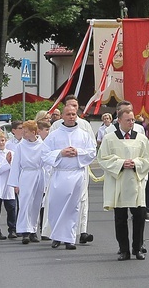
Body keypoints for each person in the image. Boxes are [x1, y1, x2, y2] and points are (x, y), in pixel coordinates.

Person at [97, 107, 149, 260]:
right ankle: (124, 250)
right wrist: (121, 163)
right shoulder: (109, 138)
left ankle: (137, 248)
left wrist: (135, 163)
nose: (131, 123)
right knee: (120, 218)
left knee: (139, 217)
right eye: (128, 120)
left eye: (133, 120)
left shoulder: (141, 138)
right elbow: (102, 159)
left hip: (136, 182)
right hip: (119, 182)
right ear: (119, 120)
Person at [42, 104, 96, 250]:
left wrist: (78, 152)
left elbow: (92, 152)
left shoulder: (84, 134)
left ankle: (69, 239)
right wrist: (61, 153)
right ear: (63, 116)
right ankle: (56, 236)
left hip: (76, 174)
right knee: (56, 206)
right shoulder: (54, 135)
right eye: (68, 114)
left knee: (73, 208)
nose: (71, 117)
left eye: (73, 114)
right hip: (59, 174)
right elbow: (45, 153)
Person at [8, 120, 46, 244]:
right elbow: (16, 165)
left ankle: (33, 230)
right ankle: (24, 231)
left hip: (39, 174)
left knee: (36, 203)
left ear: (33, 132)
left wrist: (47, 182)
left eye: (25, 132)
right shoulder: (20, 146)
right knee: (25, 203)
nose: (23, 134)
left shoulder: (43, 145)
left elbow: (47, 163)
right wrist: (15, 183)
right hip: (26, 175)